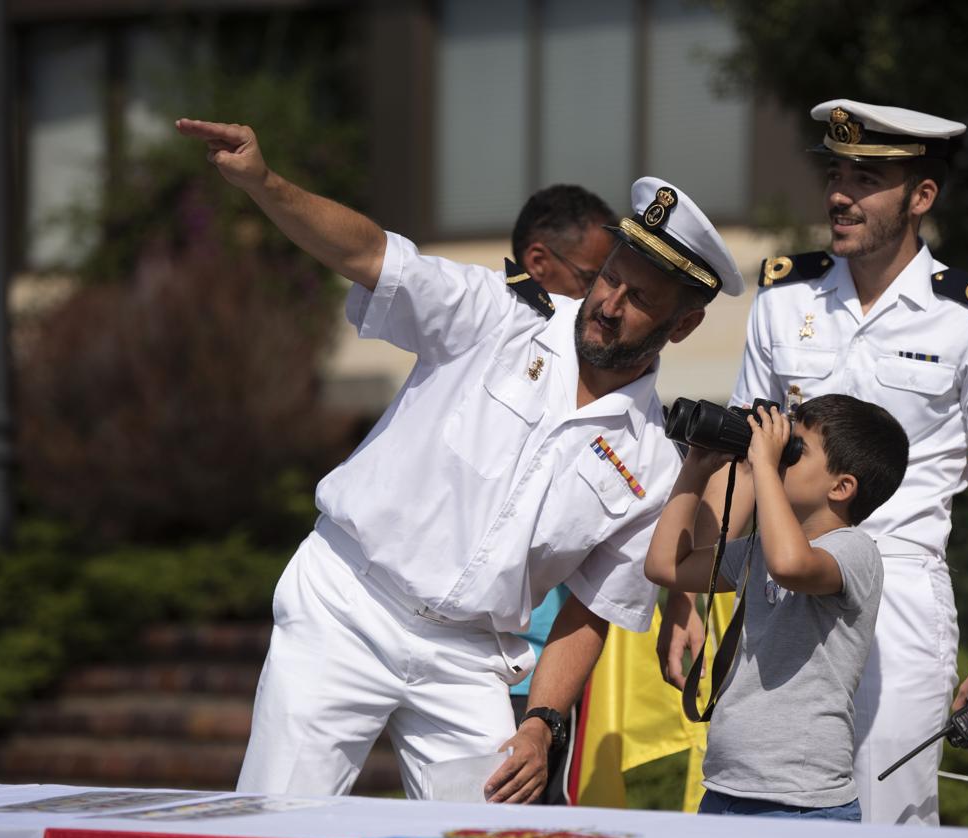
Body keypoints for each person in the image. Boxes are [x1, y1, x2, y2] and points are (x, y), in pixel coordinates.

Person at [175, 117, 745, 802]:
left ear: (683, 325)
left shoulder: (655, 460)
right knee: (273, 833)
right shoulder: (500, 314)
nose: (609, 304)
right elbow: (374, 257)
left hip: (471, 656)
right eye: (609, 279)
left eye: (641, 298)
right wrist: (265, 184)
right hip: (348, 603)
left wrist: (541, 722)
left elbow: (591, 609)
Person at [659, 99, 968, 825]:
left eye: (866, 178)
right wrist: (693, 592)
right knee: (764, 805)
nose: (840, 193)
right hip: (779, 578)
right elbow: (746, 456)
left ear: (921, 197)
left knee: (890, 820)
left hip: (897, 589)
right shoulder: (783, 295)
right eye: (836, 173)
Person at [646, 395, 908, 820]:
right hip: (725, 790)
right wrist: (696, 469)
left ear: (841, 487)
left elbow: (790, 565)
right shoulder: (759, 550)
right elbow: (665, 566)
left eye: (795, 449)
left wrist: (764, 465)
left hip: (802, 804)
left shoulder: (856, 551)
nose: (777, 451)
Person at [506, 184, 616, 805]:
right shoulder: (484, 348)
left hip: (546, 657)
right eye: (593, 276)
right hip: (461, 649)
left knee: (527, 829)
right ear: (540, 264)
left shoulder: (604, 366)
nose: (605, 297)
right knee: (456, 832)